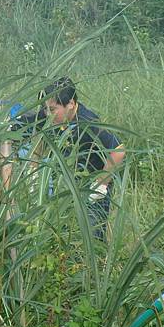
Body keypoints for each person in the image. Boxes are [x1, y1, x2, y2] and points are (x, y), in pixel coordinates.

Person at [43, 77, 125, 241]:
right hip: (65, 189)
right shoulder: (53, 116)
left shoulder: (89, 123)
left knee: (91, 238)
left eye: (52, 110)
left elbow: (118, 150)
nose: (47, 114)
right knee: (62, 235)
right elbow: (39, 132)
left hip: (91, 191)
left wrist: (101, 184)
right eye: (46, 109)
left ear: (71, 104)